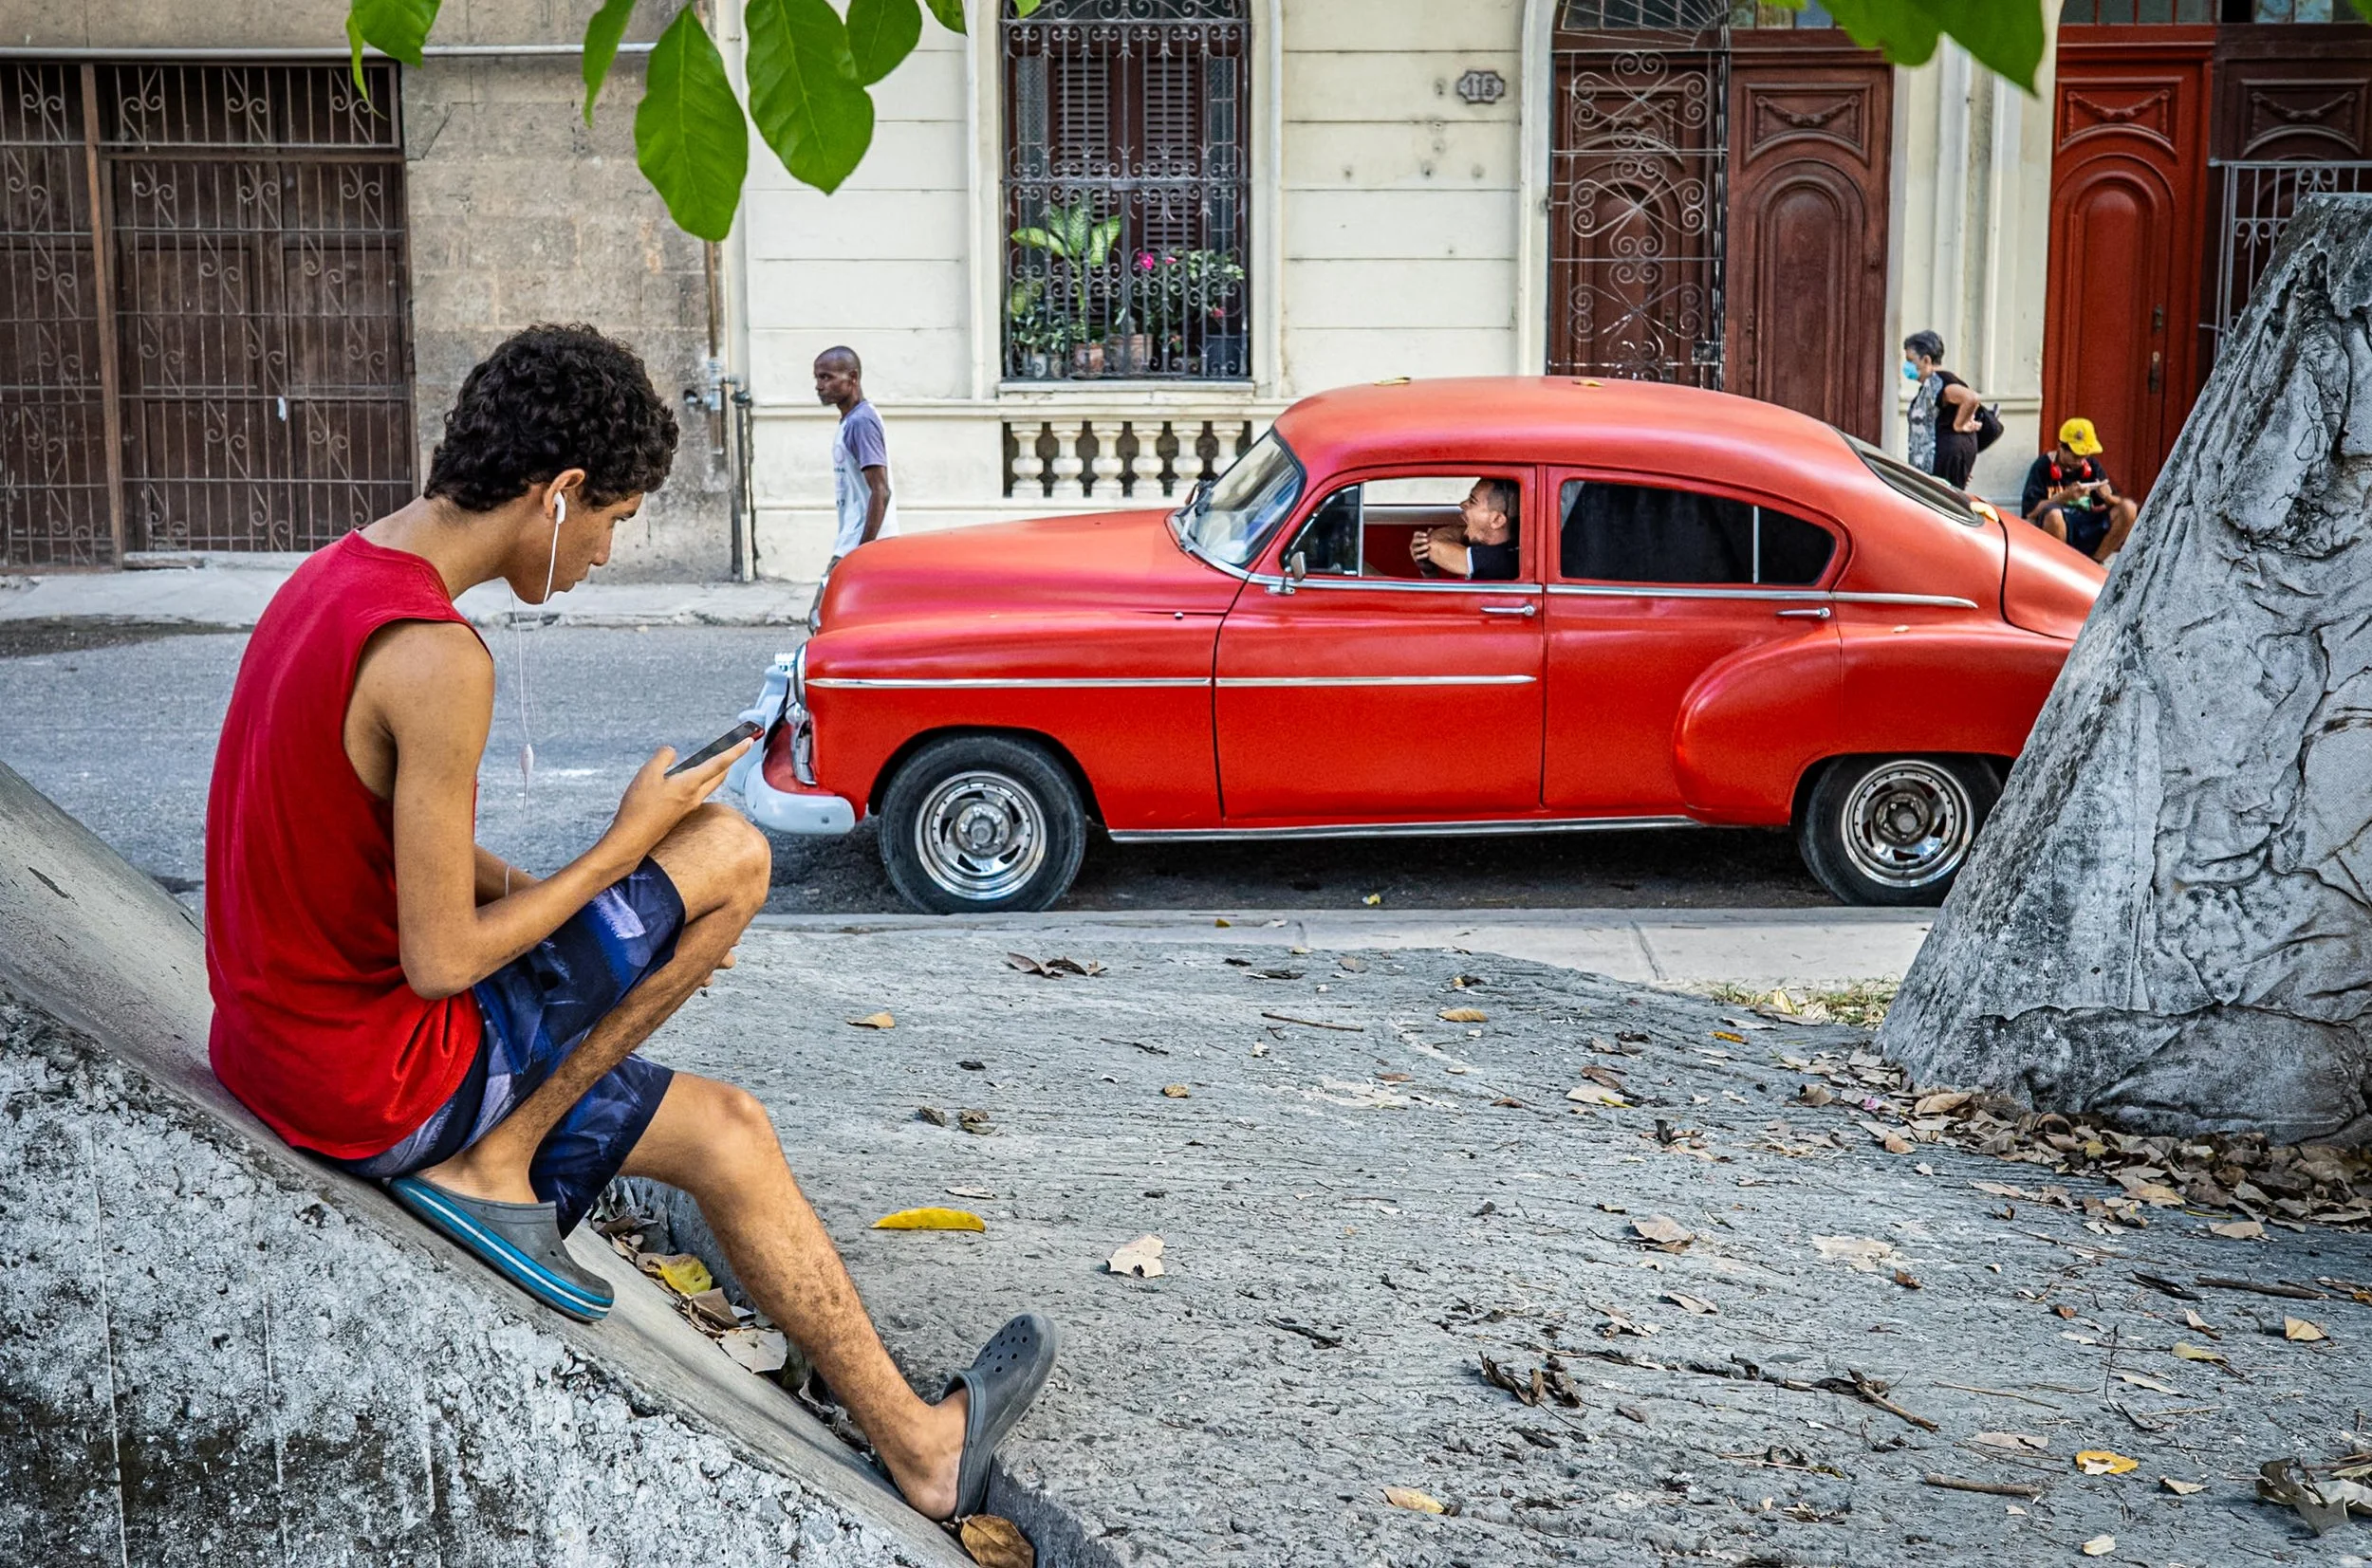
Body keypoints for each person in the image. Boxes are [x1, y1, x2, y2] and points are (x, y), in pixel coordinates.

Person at [204, 323, 1052, 1522]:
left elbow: (392, 855)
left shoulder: (334, 575)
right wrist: (621, 850)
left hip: (279, 1048)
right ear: (557, 495)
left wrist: (566, 890)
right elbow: (440, 960)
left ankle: (922, 1447)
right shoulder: (437, 656)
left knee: (727, 1132)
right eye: (615, 519)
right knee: (734, 853)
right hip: (380, 1083)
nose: (605, 551)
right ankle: (497, 1164)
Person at [815, 345, 896, 568]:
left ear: (853, 378)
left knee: (823, 604)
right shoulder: (852, 421)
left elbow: (881, 491)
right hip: (852, 543)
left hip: (860, 547)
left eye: (826, 377)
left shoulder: (861, 423)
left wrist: (861, 554)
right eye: (817, 378)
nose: (819, 386)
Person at [2021, 416, 2140, 563]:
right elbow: (2030, 511)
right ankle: (2062, 564)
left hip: (2088, 522)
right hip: (2063, 525)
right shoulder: (2042, 466)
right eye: (2076, 456)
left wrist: (2107, 497)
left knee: (2129, 508)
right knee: (2054, 515)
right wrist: (2063, 497)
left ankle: (2096, 561)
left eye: (2084, 456)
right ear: (2061, 447)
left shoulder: (2091, 465)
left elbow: (2116, 503)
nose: (2080, 461)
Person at [1901, 330, 1981, 490]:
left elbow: (1971, 398)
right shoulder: (1930, 385)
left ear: (1926, 360)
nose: (1907, 366)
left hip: (1940, 462)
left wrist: (1960, 425)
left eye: (1911, 360)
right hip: (1936, 462)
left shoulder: (1940, 382)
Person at [1409, 478, 1521, 581]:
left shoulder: (1500, 560)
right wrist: (1429, 572)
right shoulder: (1504, 551)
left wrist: (1427, 544)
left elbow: (1432, 545)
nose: (1462, 504)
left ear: (1497, 520)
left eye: (1472, 502)